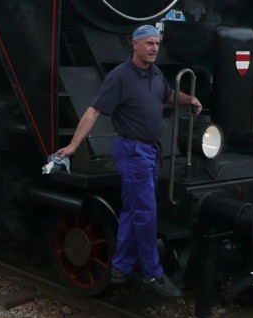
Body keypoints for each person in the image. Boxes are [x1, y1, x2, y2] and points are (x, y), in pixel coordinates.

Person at [54, 24, 202, 297]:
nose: (155, 48)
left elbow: (168, 95)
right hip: (133, 152)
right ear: (135, 44)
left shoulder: (156, 73)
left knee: (132, 210)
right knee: (145, 213)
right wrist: (74, 145)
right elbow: (94, 111)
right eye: (149, 43)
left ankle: (121, 266)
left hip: (151, 151)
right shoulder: (119, 77)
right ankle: (152, 272)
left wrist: (189, 98)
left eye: (157, 43)